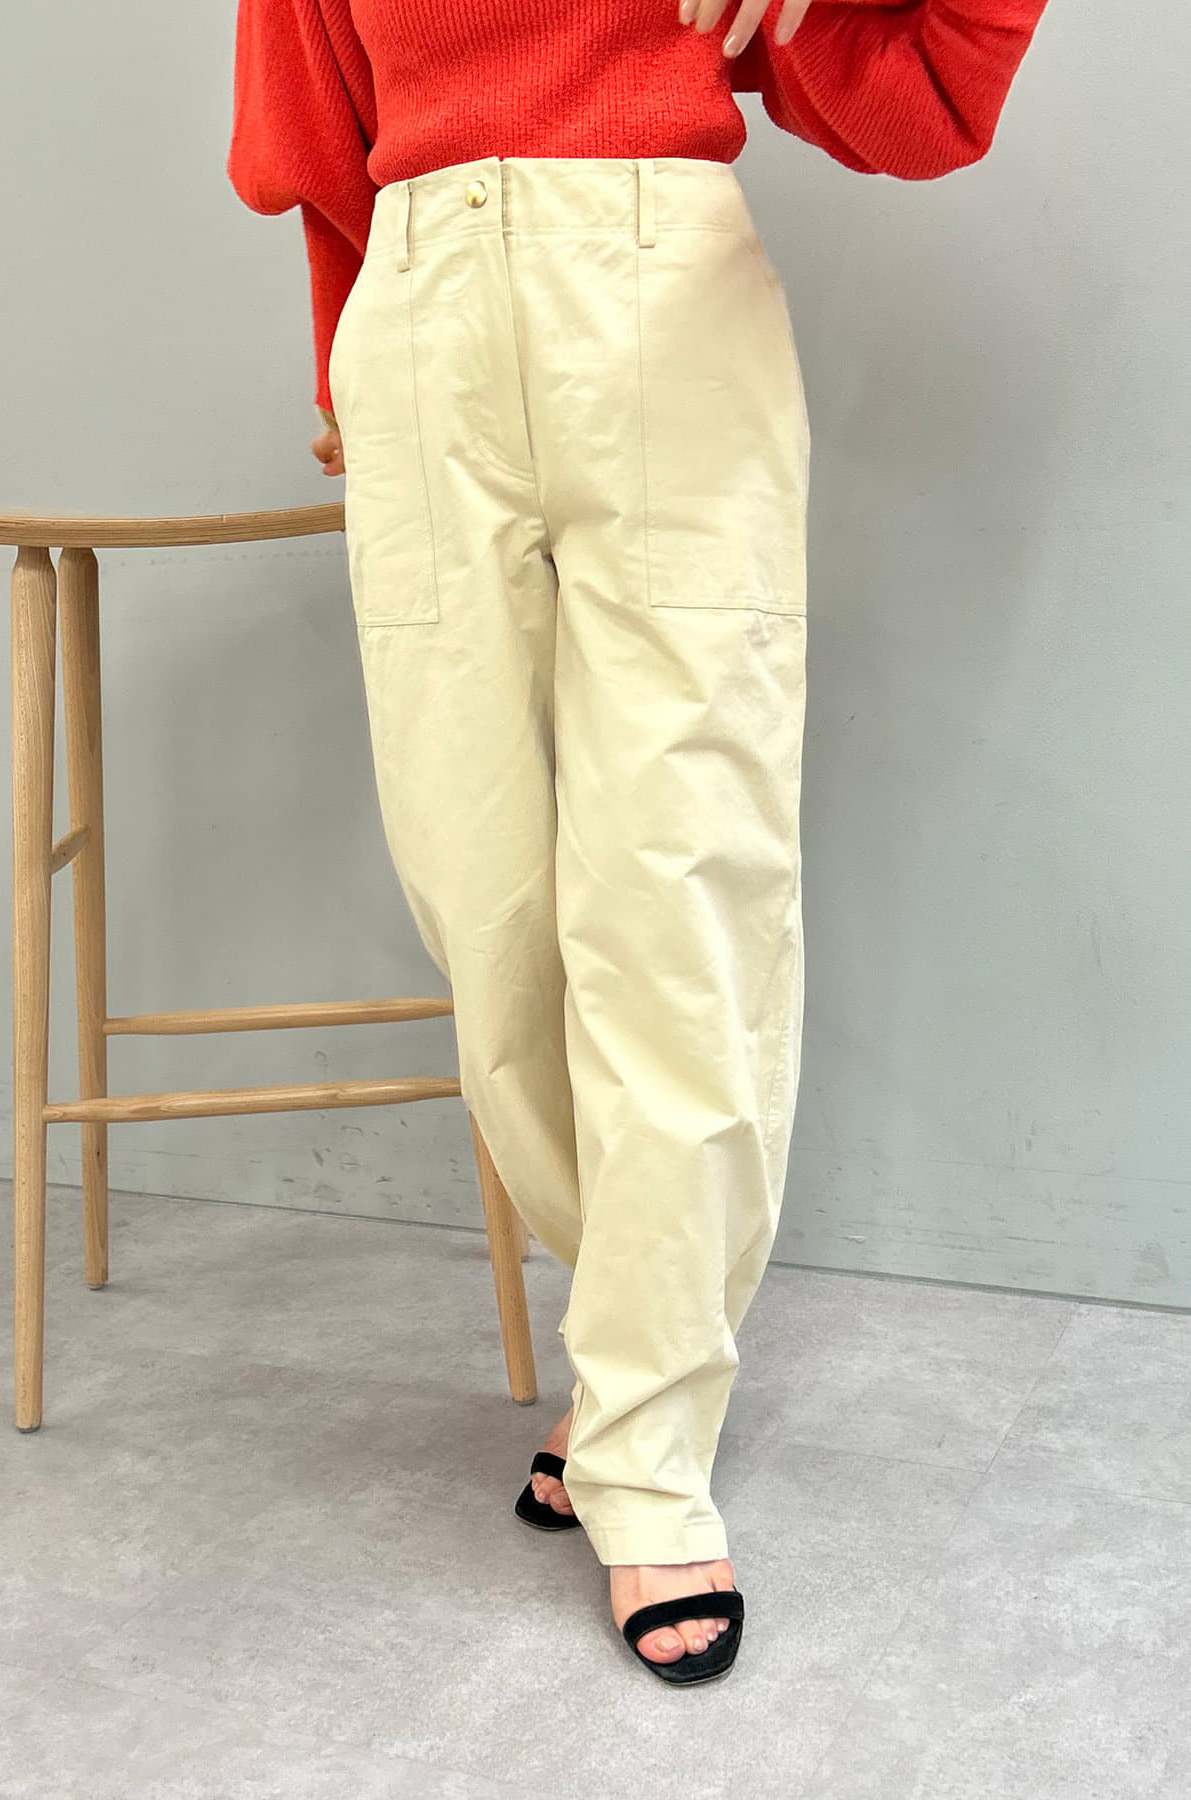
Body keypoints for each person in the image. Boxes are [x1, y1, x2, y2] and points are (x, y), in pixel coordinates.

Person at [227, 0, 1049, 1684]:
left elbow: (929, 96)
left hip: (663, 303)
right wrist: (344, 368)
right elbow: (321, 150)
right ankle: (632, 1360)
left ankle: (651, 1453)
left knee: (679, 897)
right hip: (420, 322)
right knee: (486, 908)